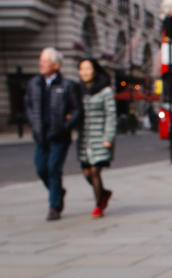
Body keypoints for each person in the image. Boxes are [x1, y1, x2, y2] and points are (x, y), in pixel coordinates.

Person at [24, 47, 82, 221]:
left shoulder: (67, 85)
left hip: (59, 135)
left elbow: (77, 109)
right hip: (41, 134)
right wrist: (34, 125)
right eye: (41, 60)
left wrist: (66, 126)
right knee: (41, 168)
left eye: (45, 61)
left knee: (53, 169)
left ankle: (54, 207)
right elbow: (29, 106)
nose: (41, 64)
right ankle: (58, 192)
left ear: (56, 65)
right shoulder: (34, 83)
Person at [76, 57, 116, 218]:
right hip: (85, 138)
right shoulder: (78, 91)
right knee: (86, 173)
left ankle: (98, 205)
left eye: (88, 68)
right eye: (82, 69)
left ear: (95, 70)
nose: (85, 72)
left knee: (95, 171)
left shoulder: (105, 91)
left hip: (100, 136)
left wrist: (108, 137)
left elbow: (110, 115)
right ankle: (104, 193)